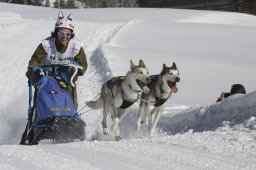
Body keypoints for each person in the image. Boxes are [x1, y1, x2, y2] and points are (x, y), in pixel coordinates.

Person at [26, 11, 87, 109]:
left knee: (70, 87)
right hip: (47, 74)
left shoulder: (76, 46)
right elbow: (35, 59)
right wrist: (33, 70)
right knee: (42, 87)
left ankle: (71, 113)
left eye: (68, 34)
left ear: (71, 34)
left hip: (66, 75)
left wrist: (76, 70)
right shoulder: (46, 44)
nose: (64, 37)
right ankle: (40, 112)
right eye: (61, 33)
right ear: (56, 33)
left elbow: (83, 64)